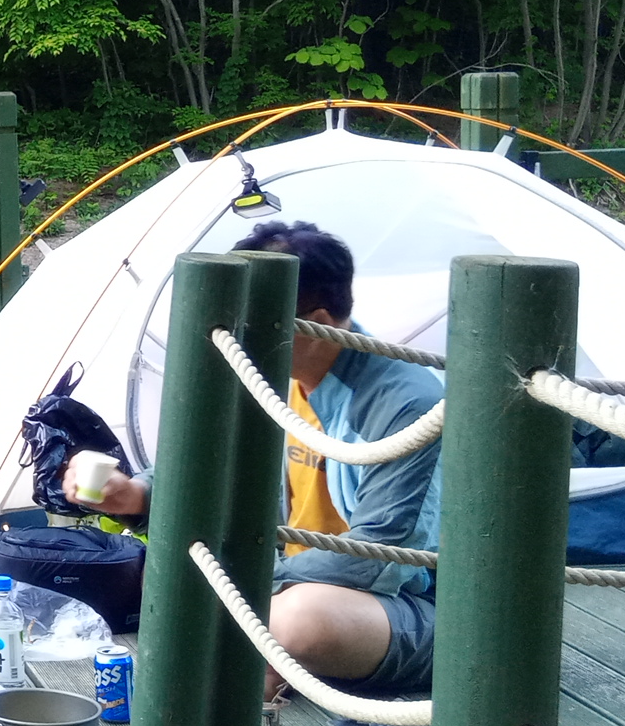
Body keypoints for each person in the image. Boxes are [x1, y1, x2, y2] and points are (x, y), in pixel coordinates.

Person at [67, 221, 444, 697]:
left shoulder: (406, 401)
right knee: (162, 572)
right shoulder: (271, 371)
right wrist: (134, 493)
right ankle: (256, 673)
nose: (236, 339)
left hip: (417, 608)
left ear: (318, 323)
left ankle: (260, 670)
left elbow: (381, 558)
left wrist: (249, 580)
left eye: (248, 325)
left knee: (297, 619)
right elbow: (209, 462)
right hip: (288, 582)